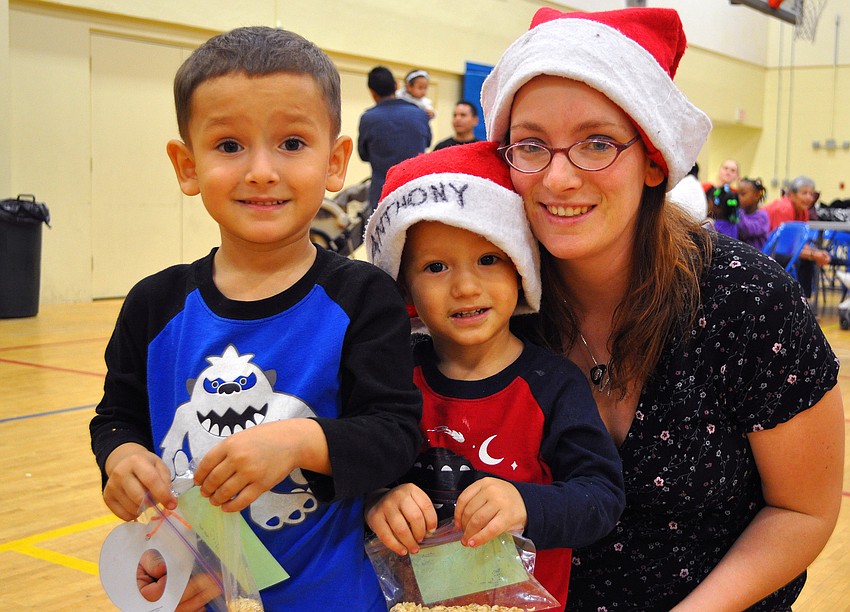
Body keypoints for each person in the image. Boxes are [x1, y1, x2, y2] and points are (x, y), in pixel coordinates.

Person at [481, 7, 844, 611]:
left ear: (654, 160)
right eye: (532, 145)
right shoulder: (492, 300)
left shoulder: (745, 302)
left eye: (597, 143)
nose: (559, 177)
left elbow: (802, 510)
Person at [89, 27, 423, 611]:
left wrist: (298, 441)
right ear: (187, 166)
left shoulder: (363, 297)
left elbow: (394, 436)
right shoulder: (153, 304)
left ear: (335, 161)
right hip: (197, 588)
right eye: (229, 145)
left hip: (332, 596)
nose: (262, 170)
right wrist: (122, 459)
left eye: (292, 143)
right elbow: (117, 417)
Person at [363, 141, 625, 610]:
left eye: (488, 259)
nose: (466, 287)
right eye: (436, 267)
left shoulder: (553, 385)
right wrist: (377, 500)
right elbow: (351, 467)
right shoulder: (394, 377)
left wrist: (526, 504)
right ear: (404, 285)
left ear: (521, 267)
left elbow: (602, 498)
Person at [359, 66, 431, 219]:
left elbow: (363, 154)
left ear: (372, 92)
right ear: (396, 85)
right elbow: (427, 143)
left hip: (382, 194)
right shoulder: (420, 114)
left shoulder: (368, 118)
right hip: (415, 194)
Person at [763, 175, 831, 298]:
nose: (809, 198)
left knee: (808, 259)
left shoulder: (803, 211)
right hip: (764, 250)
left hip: (780, 250)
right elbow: (783, 247)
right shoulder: (784, 208)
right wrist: (813, 254)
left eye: (812, 194)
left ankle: (803, 301)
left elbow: (799, 243)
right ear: (791, 194)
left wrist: (816, 253)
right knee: (803, 260)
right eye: (804, 193)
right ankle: (797, 299)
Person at [736, 177, 771, 250]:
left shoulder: (762, 216)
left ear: (756, 196)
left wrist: (737, 210)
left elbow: (747, 230)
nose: (738, 198)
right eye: (737, 194)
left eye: (742, 194)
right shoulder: (740, 214)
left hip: (756, 255)